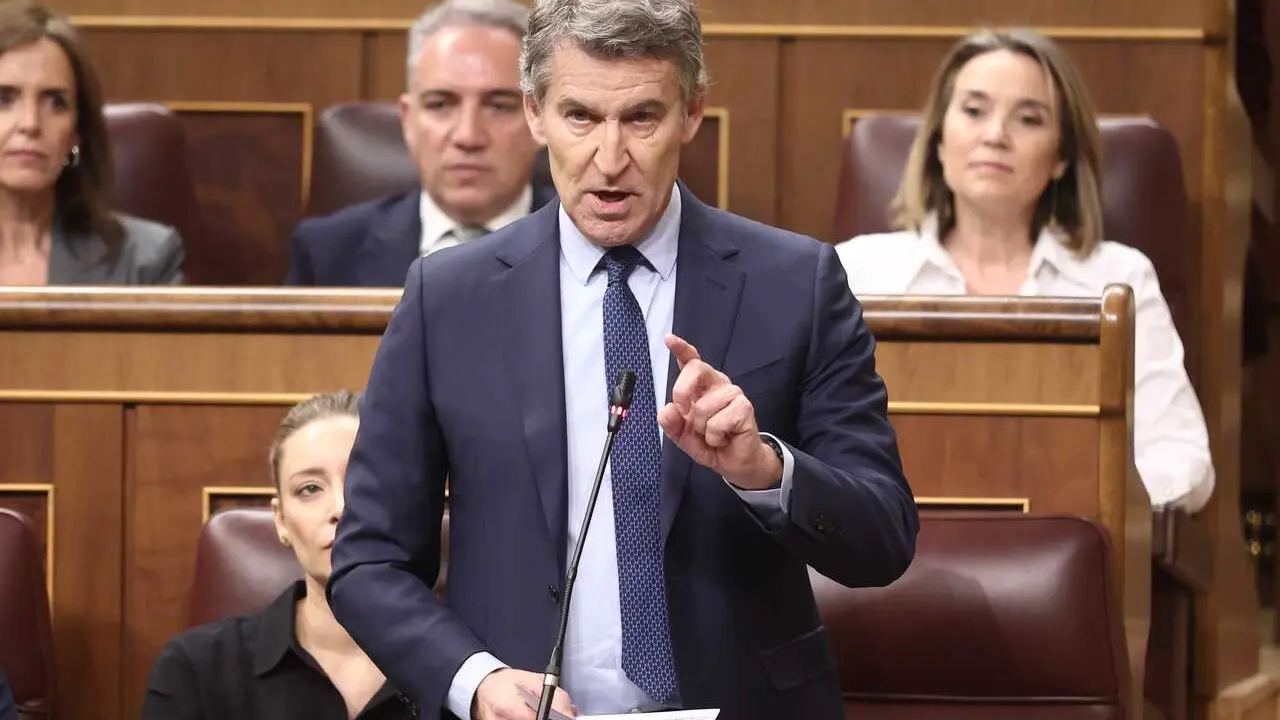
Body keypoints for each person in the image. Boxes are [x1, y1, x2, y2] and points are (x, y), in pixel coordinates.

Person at [327, 0, 918, 718]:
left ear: (693, 113)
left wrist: (763, 469)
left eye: (641, 118)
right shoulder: (447, 298)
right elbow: (369, 562)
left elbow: (882, 538)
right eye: (580, 117)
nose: (610, 161)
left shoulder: (795, 283)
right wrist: (474, 680)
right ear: (537, 114)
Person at [835, 28, 1214, 513]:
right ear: (938, 139)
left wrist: (1091, 501)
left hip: (1066, 545)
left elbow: (1182, 459)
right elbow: (813, 441)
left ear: (1060, 157)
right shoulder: (857, 270)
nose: (995, 135)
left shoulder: (1117, 277)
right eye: (973, 111)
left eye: (1029, 119)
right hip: (889, 545)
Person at [141, 391, 418, 720]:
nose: (341, 509)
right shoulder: (196, 668)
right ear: (281, 520)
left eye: (364, 482)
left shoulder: (475, 668)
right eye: (310, 489)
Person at [284, 0, 556, 287]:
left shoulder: (592, 244)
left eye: (499, 106)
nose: (468, 136)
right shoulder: (327, 253)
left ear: (538, 118)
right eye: (440, 105)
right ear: (408, 121)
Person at [0, 1, 183, 285]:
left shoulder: (143, 261)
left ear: (76, 134)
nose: (30, 124)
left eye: (55, 103)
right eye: (4, 99)